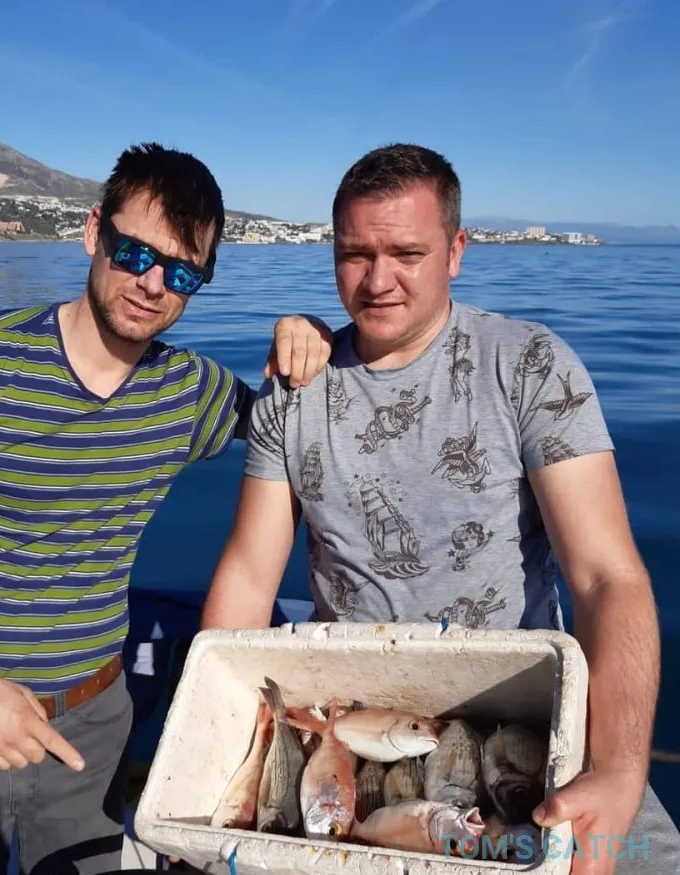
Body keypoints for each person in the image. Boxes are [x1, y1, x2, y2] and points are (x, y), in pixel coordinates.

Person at [0, 141, 334, 875]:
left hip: (94, 727)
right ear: (94, 231)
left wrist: (309, 335)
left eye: (182, 272)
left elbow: (294, 422)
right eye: (135, 254)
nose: (153, 284)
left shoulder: (189, 391)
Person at [200, 143, 679, 874]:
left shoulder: (528, 366)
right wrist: (216, 739)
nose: (378, 280)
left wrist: (617, 769)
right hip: (355, 727)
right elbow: (246, 576)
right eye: (355, 254)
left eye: (407, 253)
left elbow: (607, 577)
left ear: (456, 251)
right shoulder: (290, 394)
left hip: (518, 719)